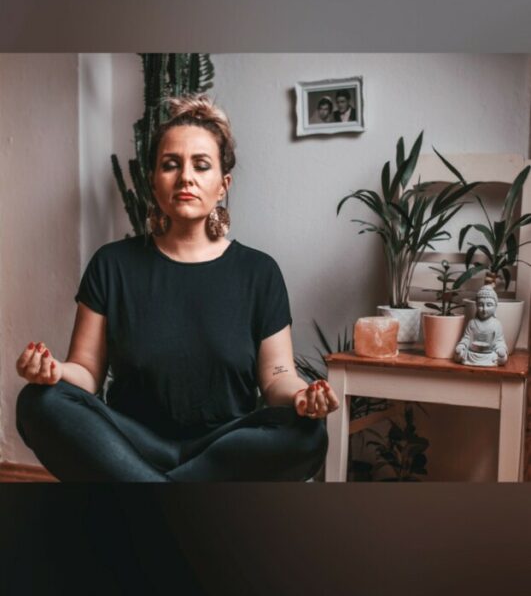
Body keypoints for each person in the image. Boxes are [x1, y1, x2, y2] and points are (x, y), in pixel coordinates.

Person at [16, 95, 338, 482]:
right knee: (38, 402)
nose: (186, 177)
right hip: (131, 440)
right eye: (171, 165)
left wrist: (302, 397)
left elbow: (276, 378)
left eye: (201, 166)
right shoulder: (112, 264)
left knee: (307, 433)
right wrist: (52, 373)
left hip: (224, 445)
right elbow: (85, 372)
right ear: (154, 181)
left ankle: (146, 500)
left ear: (223, 185)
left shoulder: (259, 272)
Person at [454, 285, 508, 366]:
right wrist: (462, 345)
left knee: (502, 358)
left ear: (495, 307)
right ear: (476, 305)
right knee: (459, 355)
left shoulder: (496, 324)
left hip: (489, 354)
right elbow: (467, 338)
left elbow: (499, 341)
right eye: (480, 305)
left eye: (489, 305)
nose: (484, 309)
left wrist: (501, 349)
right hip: (472, 353)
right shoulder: (472, 323)